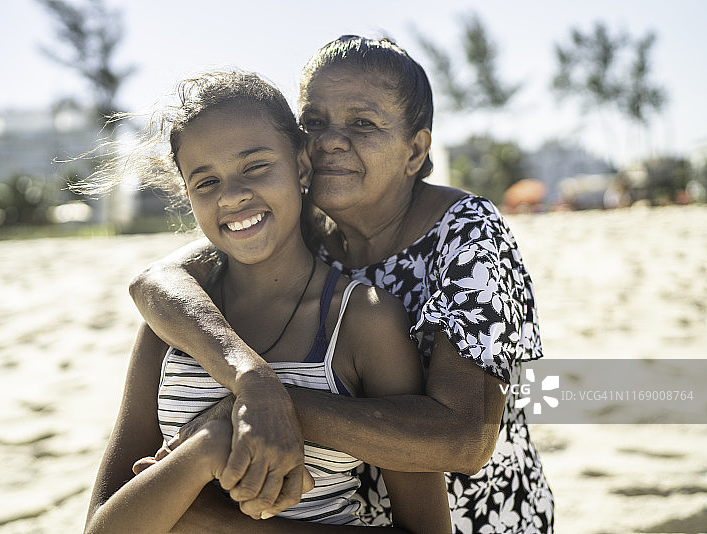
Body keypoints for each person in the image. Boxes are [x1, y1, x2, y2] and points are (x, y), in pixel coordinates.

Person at [131, 36, 554, 533]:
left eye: (362, 124)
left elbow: (465, 440)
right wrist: (254, 382)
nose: (330, 140)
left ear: (416, 150)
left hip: (480, 519)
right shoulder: (308, 224)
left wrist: (265, 407)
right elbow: (156, 281)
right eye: (314, 122)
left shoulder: (467, 235)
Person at [84, 70, 451, 533]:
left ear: (302, 166)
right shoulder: (175, 322)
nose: (233, 196)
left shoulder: (363, 321)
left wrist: (206, 514)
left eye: (256, 167)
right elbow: (100, 525)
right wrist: (207, 448)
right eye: (206, 182)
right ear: (187, 195)